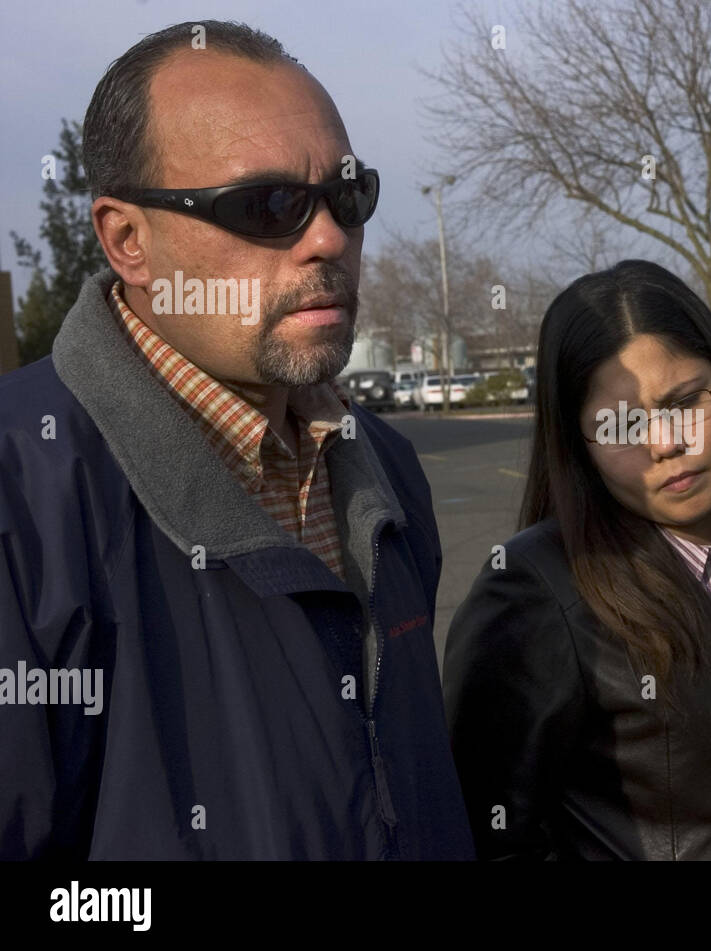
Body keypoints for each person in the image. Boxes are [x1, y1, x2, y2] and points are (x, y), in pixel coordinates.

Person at [0, 21, 473, 859]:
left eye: (348, 195)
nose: (328, 237)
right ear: (128, 241)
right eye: (267, 205)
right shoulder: (23, 500)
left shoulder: (385, 470)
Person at [443, 260, 711, 860]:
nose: (665, 443)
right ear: (578, 445)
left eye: (682, 402)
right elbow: (490, 836)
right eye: (622, 424)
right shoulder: (532, 591)